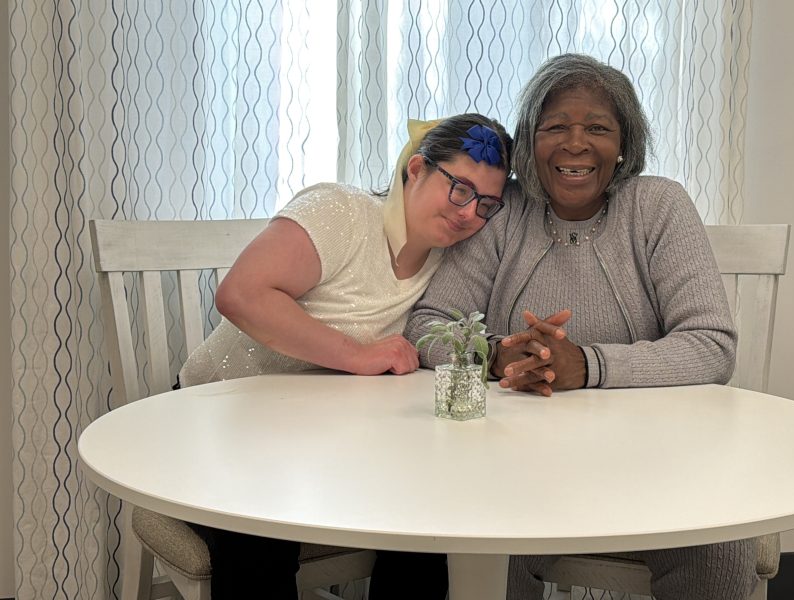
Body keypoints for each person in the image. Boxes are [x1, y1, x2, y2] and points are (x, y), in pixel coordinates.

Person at [406, 54, 758, 599]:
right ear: (529, 141)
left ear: (624, 144)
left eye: (597, 127)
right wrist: (497, 355)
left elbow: (712, 346)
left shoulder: (658, 205)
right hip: (509, 463)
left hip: (655, 459)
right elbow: (428, 325)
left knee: (716, 548)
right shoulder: (502, 211)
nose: (576, 144)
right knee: (475, 546)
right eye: (555, 127)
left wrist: (587, 366)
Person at [178, 113, 513, 599]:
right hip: (218, 422)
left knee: (421, 524)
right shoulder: (341, 211)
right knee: (263, 534)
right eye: (459, 189)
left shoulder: (450, 260)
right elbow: (241, 294)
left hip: (320, 440)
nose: (469, 214)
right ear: (416, 169)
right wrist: (356, 355)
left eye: (486, 205)